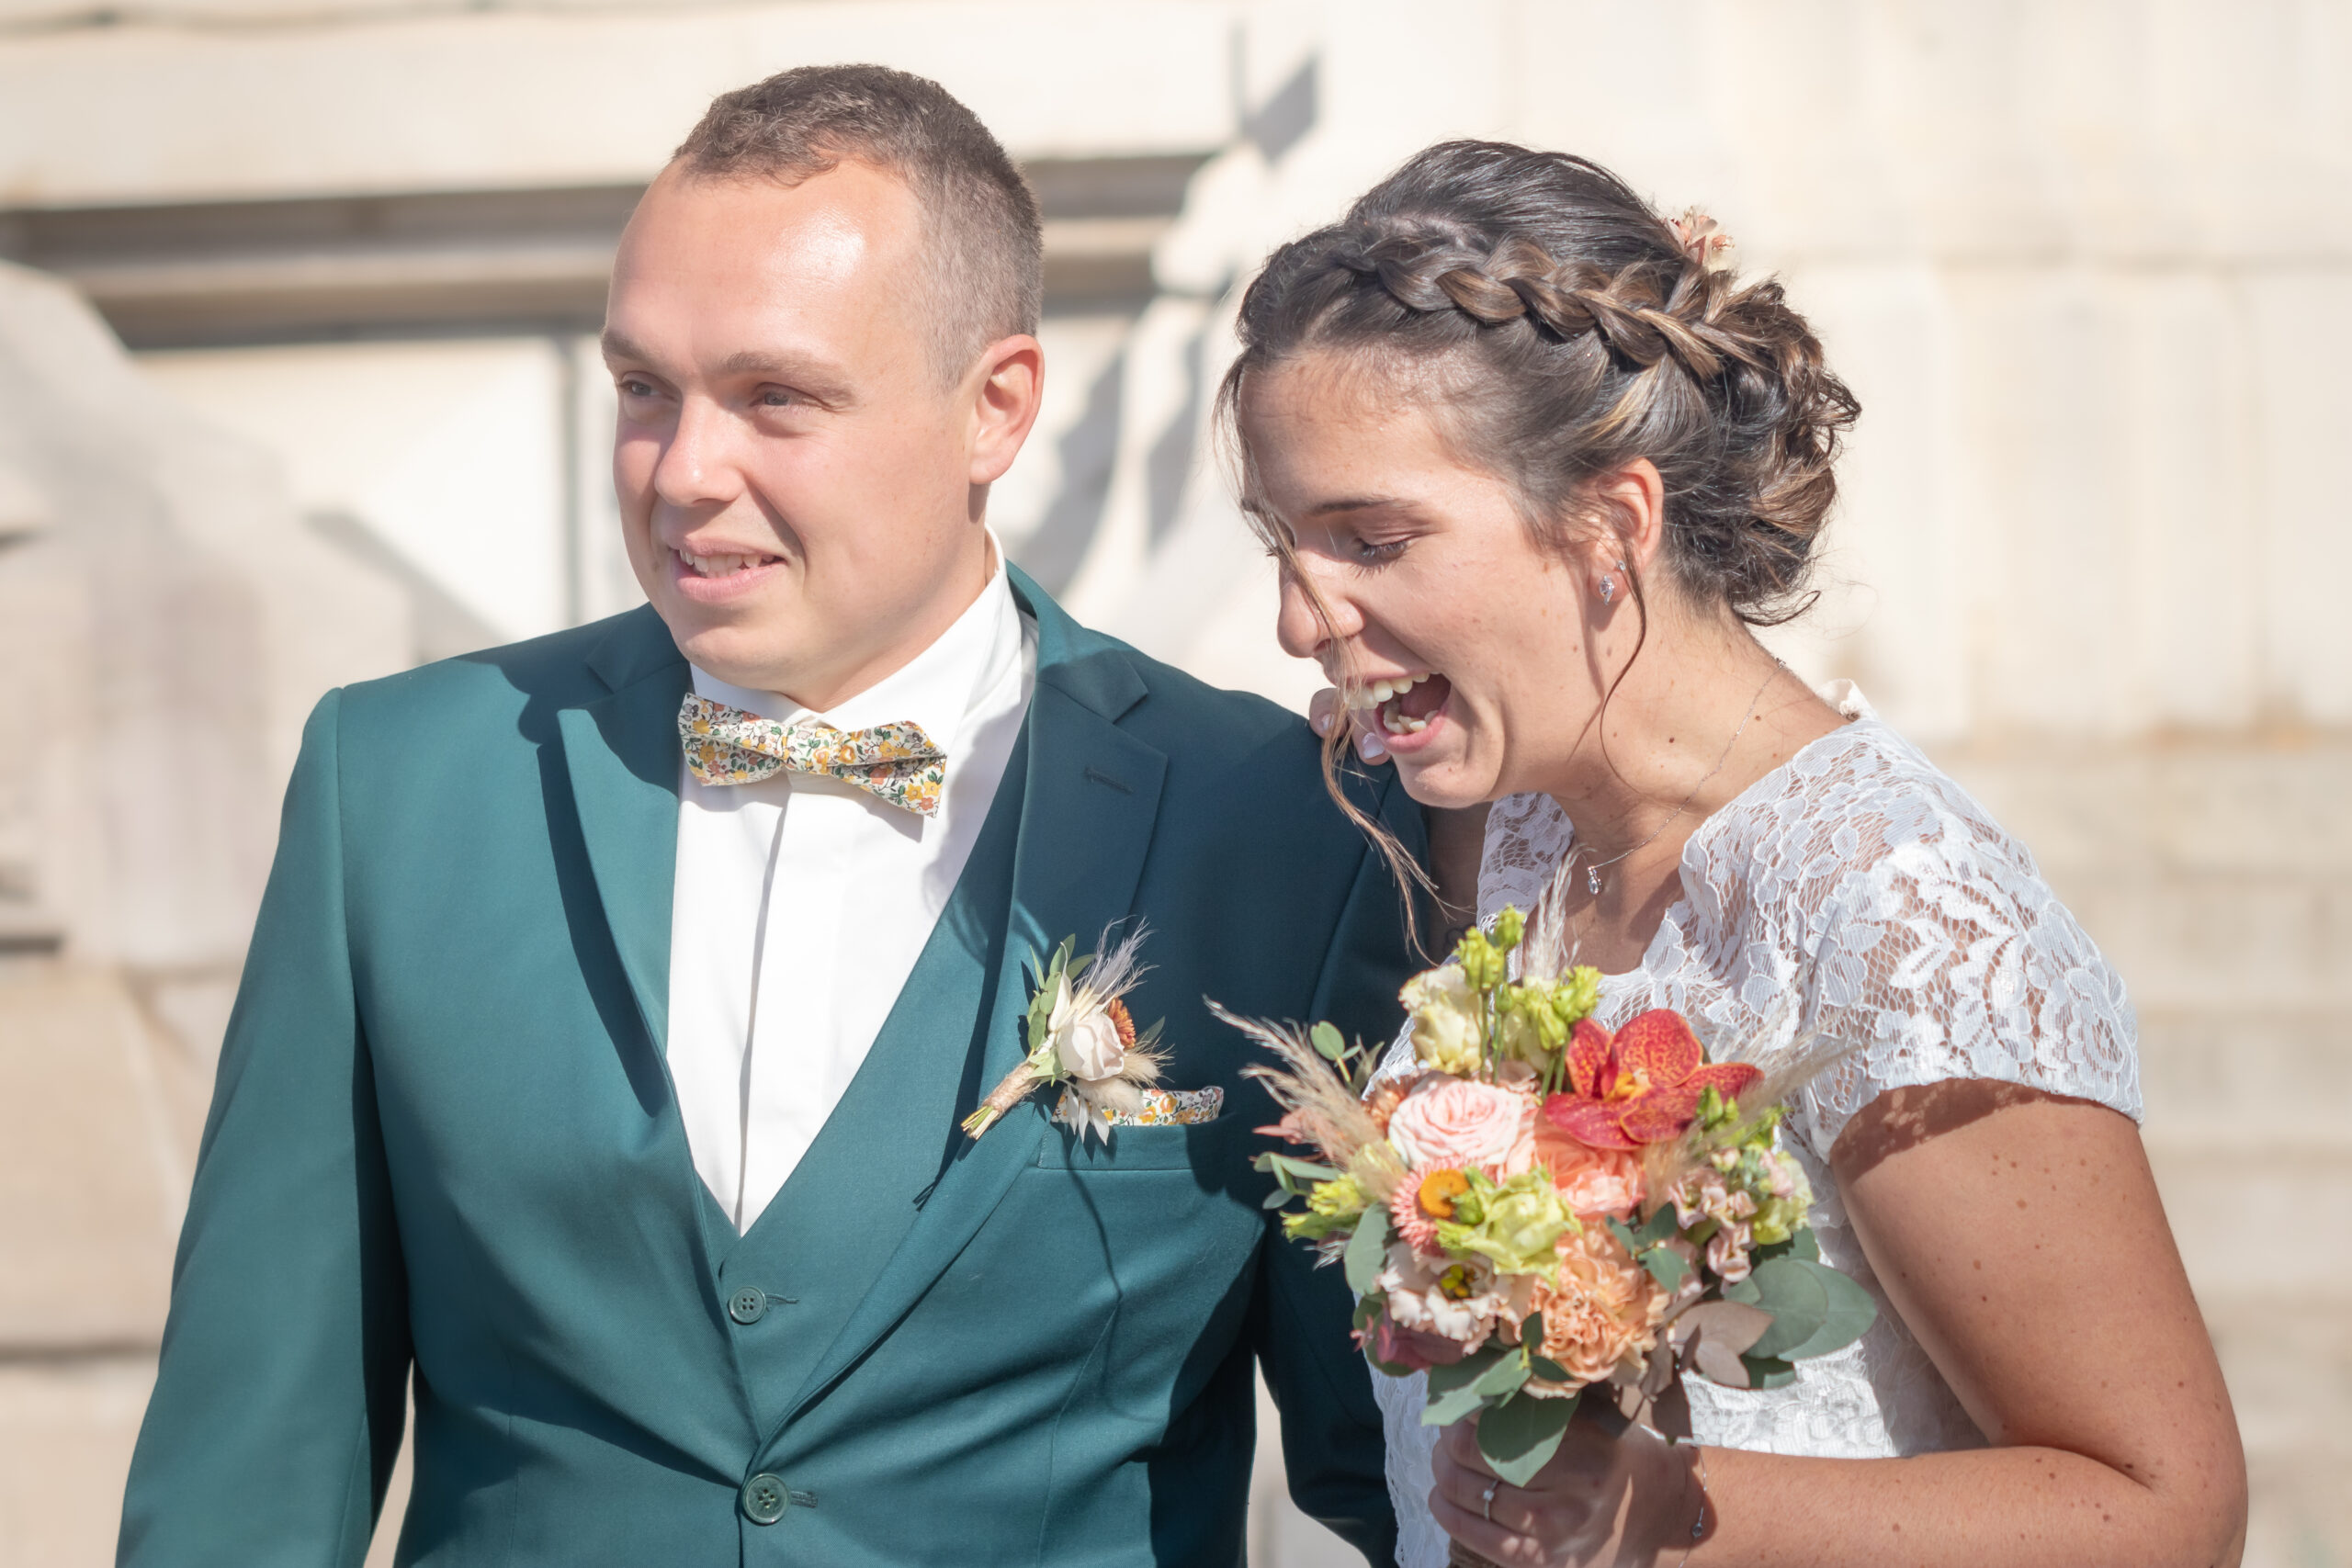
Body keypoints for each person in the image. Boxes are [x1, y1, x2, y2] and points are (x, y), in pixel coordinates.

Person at [118, 65, 1420, 1567]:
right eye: (643, 390)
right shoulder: (395, 786)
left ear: (995, 407)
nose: (683, 473)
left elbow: (1391, 1466)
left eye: (774, 398)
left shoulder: (1281, 826)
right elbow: (252, 1468)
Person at [1221, 140, 2247, 1567]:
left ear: (1610, 525)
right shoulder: (1509, 829)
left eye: (1372, 540)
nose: (1298, 621)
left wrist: (1667, 1516)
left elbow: (2161, 1512)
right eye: (1282, 541)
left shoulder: (1898, 905)